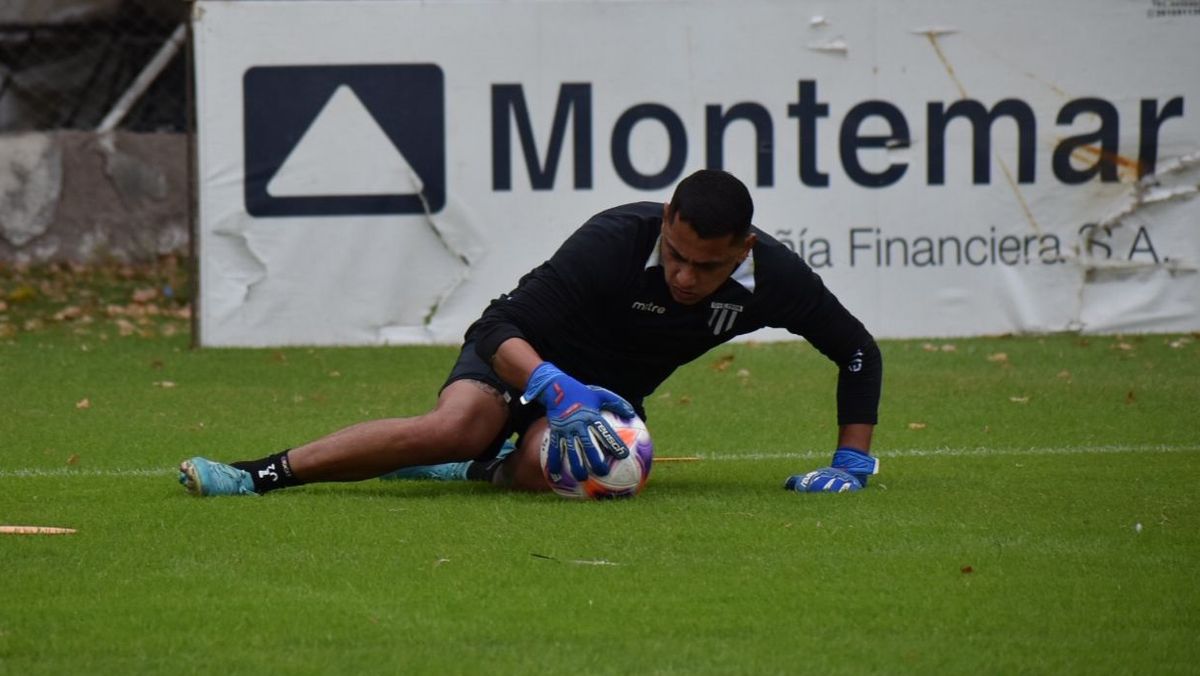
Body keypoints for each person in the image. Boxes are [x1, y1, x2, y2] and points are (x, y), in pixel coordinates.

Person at [178, 169, 882, 497]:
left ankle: (483, 469)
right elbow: (496, 326)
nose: (684, 278)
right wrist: (553, 384)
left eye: (707, 266)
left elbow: (857, 351)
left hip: (601, 403)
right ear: (665, 221)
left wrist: (850, 463)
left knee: (566, 473)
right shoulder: (613, 240)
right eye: (674, 255)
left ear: (744, 247)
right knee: (456, 424)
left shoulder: (776, 278)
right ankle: (257, 474)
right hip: (521, 361)